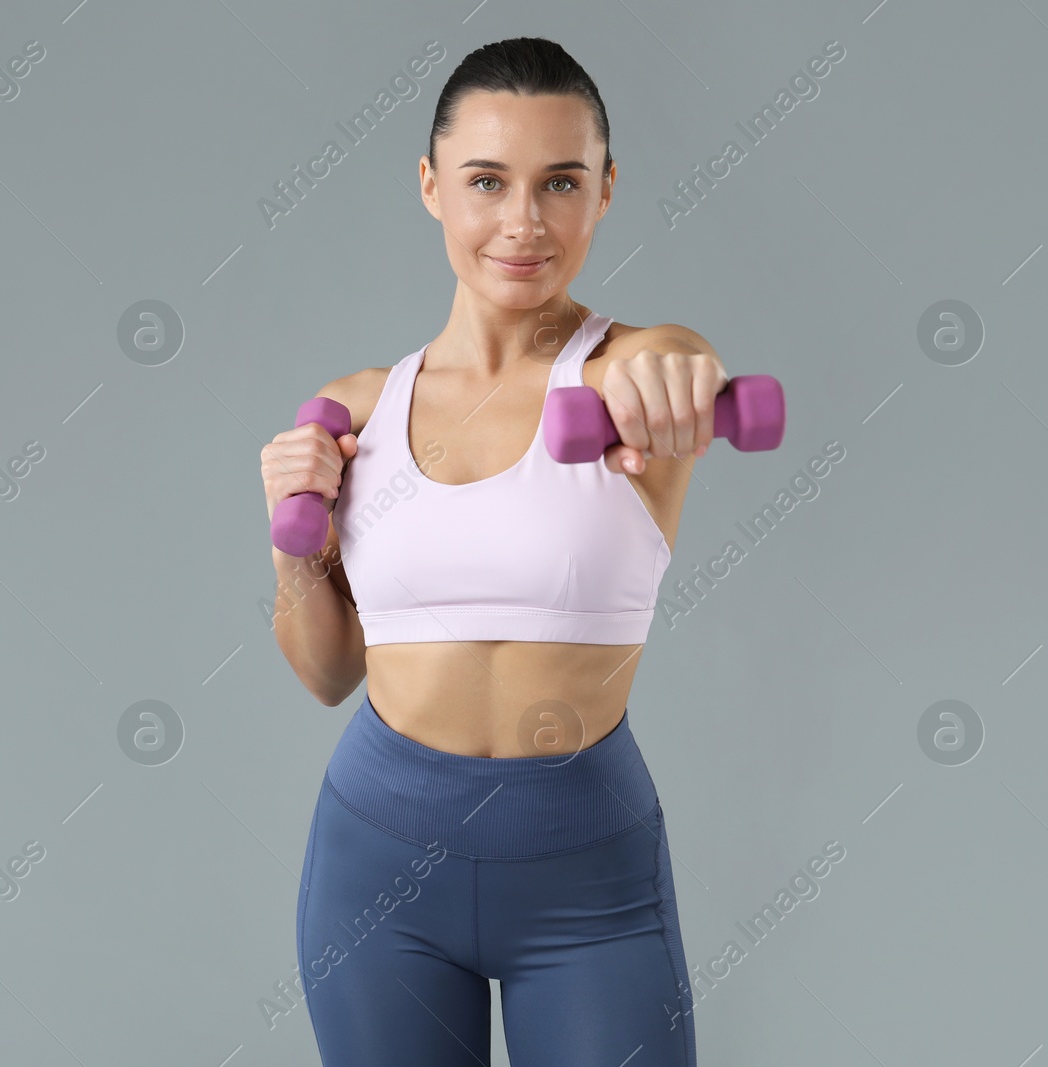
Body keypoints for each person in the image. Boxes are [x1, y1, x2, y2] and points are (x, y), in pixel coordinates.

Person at [260, 37, 728, 1067]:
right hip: (376, 871)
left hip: (585, 883)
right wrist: (294, 544)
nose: (522, 223)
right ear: (431, 186)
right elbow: (327, 671)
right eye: (486, 181)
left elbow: (676, 356)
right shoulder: (354, 407)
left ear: (604, 191)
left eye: (560, 182)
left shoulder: (624, 385)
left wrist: (683, 365)